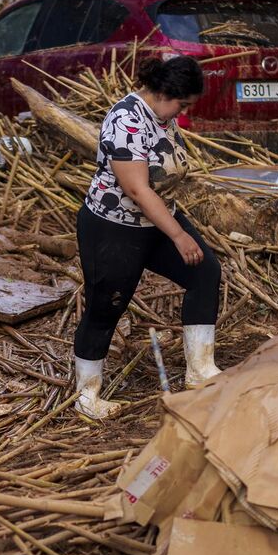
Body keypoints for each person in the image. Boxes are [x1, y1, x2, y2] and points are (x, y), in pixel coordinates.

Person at [72, 56, 222, 418]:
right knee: (106, 305)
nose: (183, 113)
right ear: (160, 92)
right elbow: (138, 190)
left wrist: (174, 228)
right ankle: (86, 396)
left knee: (205, 272)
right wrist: (178, 236)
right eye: (182, 104)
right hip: (114, 226)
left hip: (156, 219)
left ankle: (200, 371)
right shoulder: (126, 120)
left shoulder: (162, 116)